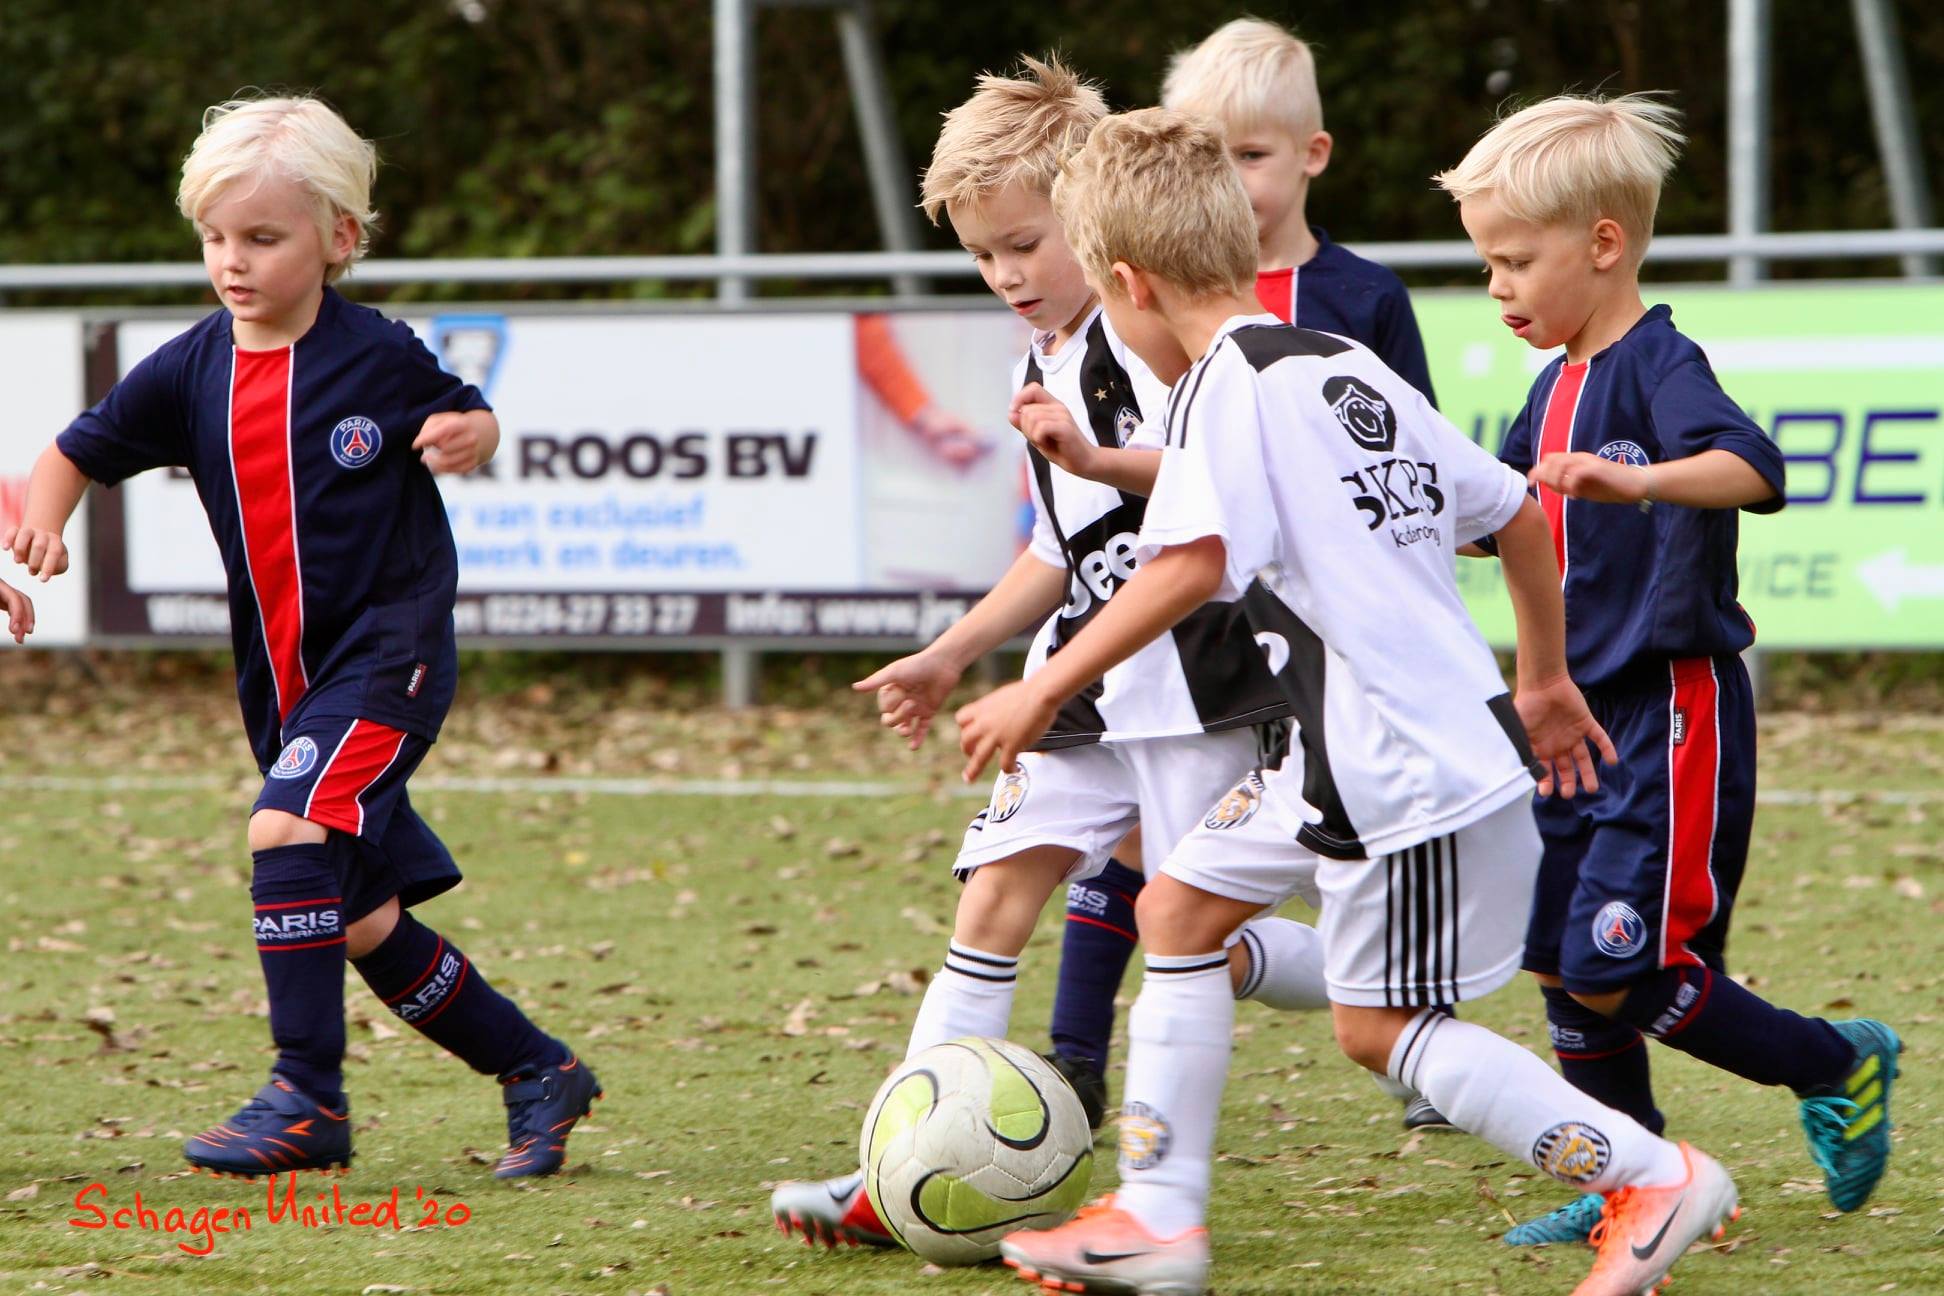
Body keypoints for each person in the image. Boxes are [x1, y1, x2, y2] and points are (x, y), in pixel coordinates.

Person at [963, 107, 1740, 1296]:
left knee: (1379, 1032)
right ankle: (1157, 1218)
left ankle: (1653, 1174)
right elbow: (1516, 514)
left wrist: (1044, 691)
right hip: (1341, 750)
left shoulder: (1222, 387)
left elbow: (1186, 566)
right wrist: (1540, 681)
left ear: (1126, 283)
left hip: (1396, 762)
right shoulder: (1328, 358)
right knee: (1175, 910)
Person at [768, 57, 1327, 1253]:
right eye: (983, 256)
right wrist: (951, 654)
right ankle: (897, 1168)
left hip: (1194, 676)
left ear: (1093, 222)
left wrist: (1095, 461)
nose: (1006, 274)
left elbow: (1219, 490)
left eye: (1025, 244)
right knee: (995, 894)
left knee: (1195, 936)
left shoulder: (1152, 342)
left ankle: (1373, 983)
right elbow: (1057, 551)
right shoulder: (1041, 359)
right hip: (1084, 677)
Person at [2, 95, 598, 1180]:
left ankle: (307, 1097)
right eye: (215, 237)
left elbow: (469, 410)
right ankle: (538, 1069)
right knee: (358, 917)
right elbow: (75, 450)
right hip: (283, 685)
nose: (232, 261)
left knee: (285, 832)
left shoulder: (376, 355)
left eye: (263, 237)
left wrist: (473, 432)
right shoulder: (190, 367)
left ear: (339, 237)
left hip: (389, 655)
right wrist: (44, 520)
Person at [1433, 93, 1901, 1245]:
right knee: (1561, 964)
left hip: (1669, 706)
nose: (1495, 287)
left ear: (1603, 244)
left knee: (1620, 968)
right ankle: (1634, 1180)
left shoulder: (1659, 363)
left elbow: (1755, 466)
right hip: (1571, 719)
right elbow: (1498, 515)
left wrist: (1638, 479)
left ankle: (1834, 1062)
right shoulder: (1549, 388)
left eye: (1514, 261)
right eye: (1485, 265)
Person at [1036, 15, 1454, 1137]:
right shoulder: (1144, 304)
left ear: (1314, 155)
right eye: (1206, 154)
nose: (1225, 179)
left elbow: (1411, 466)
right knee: (1153, 863)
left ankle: (1424, 1040)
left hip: (1326, 652)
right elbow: (1194, 477)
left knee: (1327, 866)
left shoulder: (1359, 305)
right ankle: (1078, 1069)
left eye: (1249, 155)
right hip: (1200, 635)